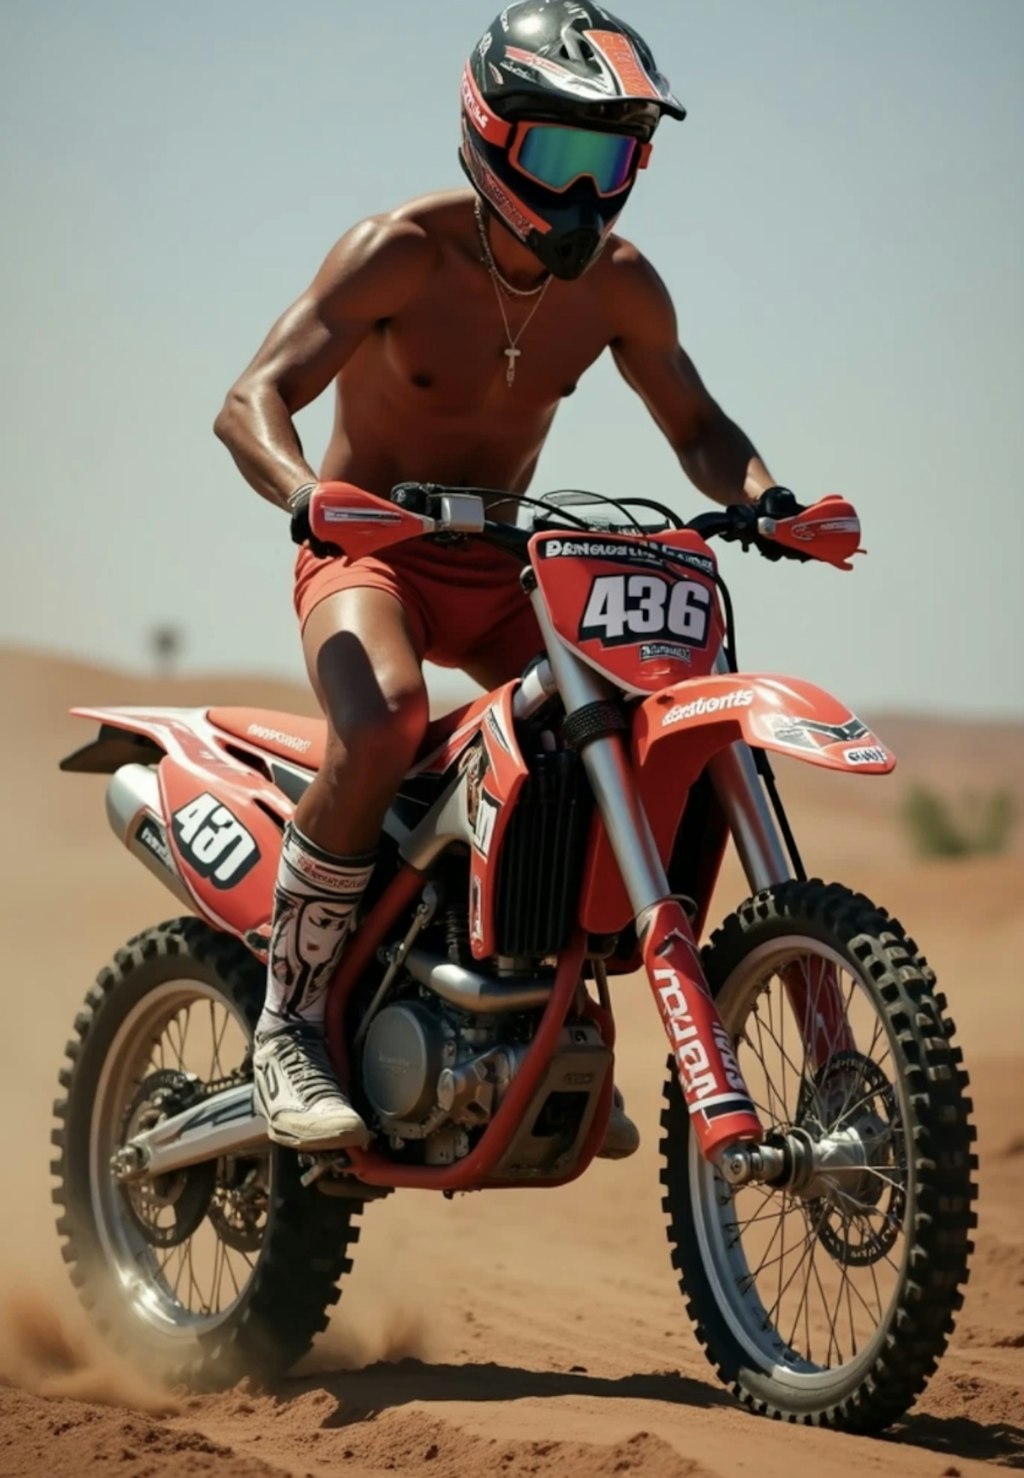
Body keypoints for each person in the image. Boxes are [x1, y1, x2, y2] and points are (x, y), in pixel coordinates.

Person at [214, 1, 794, 1157]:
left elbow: (696, 425)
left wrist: (767, 497)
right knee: (384, 720)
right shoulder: (399, 250)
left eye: (610, 161)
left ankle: (546, 1020)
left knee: (622, 733)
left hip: (509, 570)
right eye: (561, 152)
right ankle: (288, 1024)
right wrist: (304, 492)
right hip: (369, 553)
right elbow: (251, 398)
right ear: (491, 132)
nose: (584, 191)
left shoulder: (620, 286)